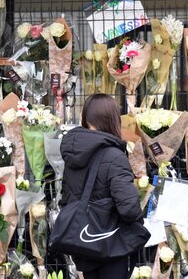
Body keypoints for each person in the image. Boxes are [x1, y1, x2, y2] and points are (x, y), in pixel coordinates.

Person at [59, 93, 143, 279]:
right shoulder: (114, 156)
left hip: (82, 241)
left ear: (86, 118)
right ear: (112, 118)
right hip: (110, 244)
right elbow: (129, 208)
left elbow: (66, 197)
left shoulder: (73, 153)